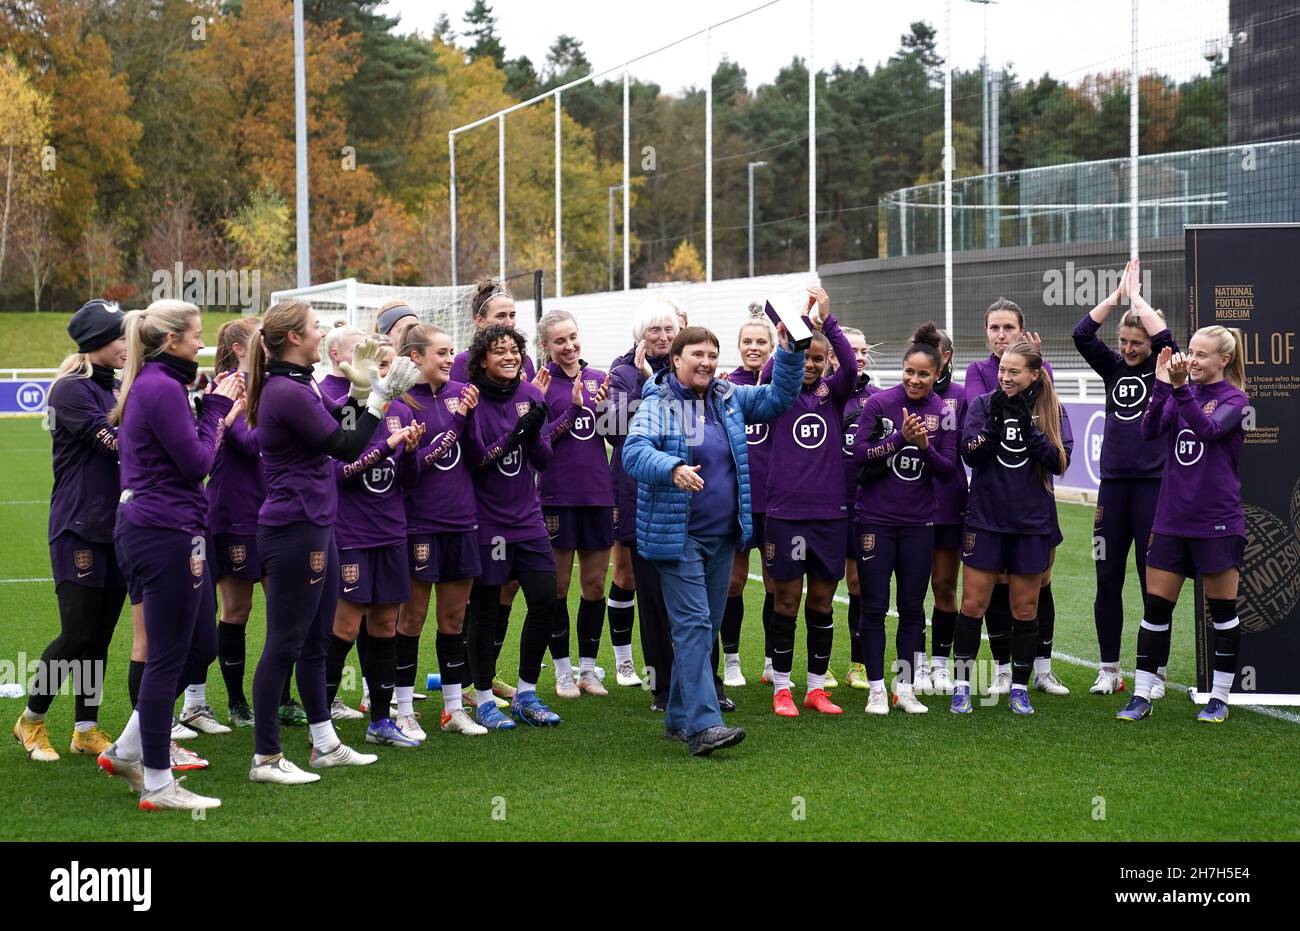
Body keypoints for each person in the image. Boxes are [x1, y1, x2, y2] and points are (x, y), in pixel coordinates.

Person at [244, 301, 415, 784]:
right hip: (294, 527)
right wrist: (378, 397)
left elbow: (337, 423)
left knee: (315, 641)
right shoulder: (286, 389)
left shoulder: (300, 384)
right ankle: (266, 758)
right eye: (315, 327)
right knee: (284, 642)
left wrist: (360, 391)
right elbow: (342, 444)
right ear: (295, 339)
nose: (322, 334)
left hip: (317, 522)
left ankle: (325, 744)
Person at [622, 322, 804, 755]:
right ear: (677, 360)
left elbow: (779, 397)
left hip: (722, 537)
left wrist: (792, 347)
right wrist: (672, 468)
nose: (705, 362)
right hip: (678, 536)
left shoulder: (726, 399)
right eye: (696, 355)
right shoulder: (659, 402)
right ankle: (704, 726)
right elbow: (633, 450)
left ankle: (677, 716)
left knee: (704, 630)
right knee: (693, 625)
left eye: (711, 355)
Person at [94, 300, 240, 811]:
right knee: (168, 656)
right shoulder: (158, 386)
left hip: (171, 527)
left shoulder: (163, 384)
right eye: (196, 336)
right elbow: (197, 462)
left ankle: (129, 749)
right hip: (161, 532)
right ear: (170, 340)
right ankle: (157, 782)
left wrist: (209, 408)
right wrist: (220, 410)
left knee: (199, 645)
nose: (201, 345)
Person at [1116, 329, 1249, 724]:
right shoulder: (1179, 390)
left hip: (1217, 520)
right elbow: (1149, 429)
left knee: (1222, 611)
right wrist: (1161, 385)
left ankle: (1220, 698)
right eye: (1190, 352)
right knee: (1156, 608)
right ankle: (1141, 695)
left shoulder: (1236, 400)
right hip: (1172, 517)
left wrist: (1178, 390)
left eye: (1201, 355)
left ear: (1223, 360)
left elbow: (1206, 432)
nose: (1191, 360)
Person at [16, 301, 127, 763]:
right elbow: (118, 445)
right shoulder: (70, 391)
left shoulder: (117, 386)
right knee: (77, 632)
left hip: (117, 528)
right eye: (121, 337)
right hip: (78, 526)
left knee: (99, 636)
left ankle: (85, 729)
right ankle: (31, 720)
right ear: (98, 342)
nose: (127, 345)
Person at [1073, 260, 1177, 696]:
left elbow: (1168, 339)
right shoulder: (1113, 368)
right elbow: (1082, 335)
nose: (1130, 349)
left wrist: (1138, 300)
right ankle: (1109, 670)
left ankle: (1154, 673)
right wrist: (1115, 300)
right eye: (1124, 341)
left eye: (1137, 343)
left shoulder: (1165, 368)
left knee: (1153, 584)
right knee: (1107, 579)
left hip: (1153, 489)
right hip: (1112, 489)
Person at [952, 339, 1072, 716]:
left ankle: (1019, 687)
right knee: (973, 604)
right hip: (985, 519)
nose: (1005, 376)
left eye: (1014, 371)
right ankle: (961, 687)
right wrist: (994, 427)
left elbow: (1059, 462)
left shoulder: (1050, 408)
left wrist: (1028, 428)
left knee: (1025, 607)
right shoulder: (985, 404)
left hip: (1031, 524)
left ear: (1034, 374)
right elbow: (969, 452)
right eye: (1002, 369)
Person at [323, 339, 426, 748]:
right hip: (351, 535)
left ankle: (381, 722)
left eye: (392, 363)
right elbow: (339, 474)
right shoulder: (348, 414)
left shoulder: (401, 412)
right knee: (345, 627)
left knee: (386, 625)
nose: (389, 371)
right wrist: (387, 445)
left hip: (391, 533)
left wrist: (412, 454)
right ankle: (322, 724)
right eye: (381, 365)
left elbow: (409, 482)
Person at [461, 324, 564, 729]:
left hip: (528, 520)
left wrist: (534, 431)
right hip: (489, 526)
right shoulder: (469, 399)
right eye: (499, 350)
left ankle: (526, 693)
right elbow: (476, 462)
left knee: (545, 599)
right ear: (482, 359)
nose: (509, 356)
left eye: (514, 350)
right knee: (485, 611)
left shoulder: (529, 394)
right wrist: (513, 436)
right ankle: (483, 698)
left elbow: (542, 459)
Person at [851, 323, 957, 714]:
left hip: (918, 524)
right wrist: (898, 439)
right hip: (875, 520)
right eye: (909, 371)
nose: (914, 379)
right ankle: (876, 689)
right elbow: (860, 455)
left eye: (923, 374)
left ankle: (906, 688)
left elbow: (948, 472)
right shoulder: (879, 404)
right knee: (875, 606)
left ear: (936, 373)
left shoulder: (943, 413)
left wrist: (925, 447)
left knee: (913, 608)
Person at [761, 288, 855, 717]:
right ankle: (782, 688)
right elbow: (768, 371)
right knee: (785, 601)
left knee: (820, 602)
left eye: (819, 358)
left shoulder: (834, 395)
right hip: (784, 514)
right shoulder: (778, 394)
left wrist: (827, 321)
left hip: (828, 517)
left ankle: (816, 689)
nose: (812, 365)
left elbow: (850, 366)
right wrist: (789, 335)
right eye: (806, 357)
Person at [396, 324, 487, 736]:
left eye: (452, 352)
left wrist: (468, 419)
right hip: (419, 526)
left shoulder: (461, 395)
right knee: (411, 619)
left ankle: (453, 709)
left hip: (462, 521)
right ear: (416, 357)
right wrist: (453, 425)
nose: (451, 360)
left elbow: (478, 457)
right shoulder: (400, 404)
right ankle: (403, 710)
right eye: (442, 353)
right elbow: (407, 475)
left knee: (453, 619)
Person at [535, 310, 614, 699]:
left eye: (572, 337)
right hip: (557, 496)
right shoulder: (540, 384)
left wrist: (603, 409)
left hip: (599, 495)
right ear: (546, 346)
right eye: (559, 341)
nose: (568, 346)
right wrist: (575, 409)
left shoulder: (601, 378)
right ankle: (562, 671)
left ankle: (588, 669)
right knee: (558, 587)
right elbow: (539, 444)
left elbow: (617, 436)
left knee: (595, 585)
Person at [606, 299, 680, 705]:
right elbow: (617, 432)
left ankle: (702, 679)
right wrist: (647, 382)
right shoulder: (621, 372)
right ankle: (656, 682)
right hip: (638, 491)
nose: (664, 338)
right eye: (655, 331)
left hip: (683, 490)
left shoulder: (686, 367)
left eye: (669, 330)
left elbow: (694, 428)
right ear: (640, 336)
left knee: (689, 595)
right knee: (645, 589)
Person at [199, 317, 264, 731]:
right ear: (240, 349)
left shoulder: (273, 384)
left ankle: (282, 696)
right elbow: (250, 442)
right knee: (237, 609)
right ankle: (237, 701)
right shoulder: (226, 387)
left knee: (288, 611)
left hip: (276, 513)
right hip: (236, 511)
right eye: (262, 341)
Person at [721, 307, 776, 688]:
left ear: (773, 347)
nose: (753, 348)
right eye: (747, 342)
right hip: (738, 500)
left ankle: (774, 659)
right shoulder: (725, 386)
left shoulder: (780, 386)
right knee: (734, 583)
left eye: (761, 342)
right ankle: (731, 659)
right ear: (738, 346)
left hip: (775, 503)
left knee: (777, 584)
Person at [921, 327, 966, 696]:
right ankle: (917, 665)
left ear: (946, 357)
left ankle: (940, 665)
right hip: (910, 506)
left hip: (950, 504)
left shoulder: (961, 397)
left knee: (944, 586)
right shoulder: (903, 396)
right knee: (913, 587)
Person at [838, 324, 879, 690]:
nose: (860, 357)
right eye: (853, 350)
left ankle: (859, 664)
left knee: (858, 585)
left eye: (864, 350)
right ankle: (805, 669)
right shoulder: (822, 395)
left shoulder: (879, 398)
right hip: (821, 506)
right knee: (814, 584)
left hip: (863, 506)